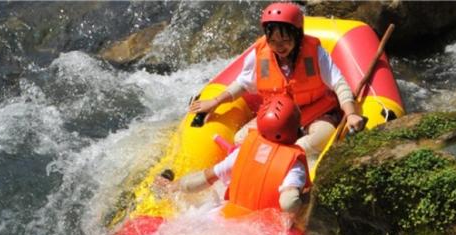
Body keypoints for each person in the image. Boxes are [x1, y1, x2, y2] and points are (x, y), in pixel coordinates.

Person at [188, 2, 366, 158]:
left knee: (324, 135)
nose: (279, 46)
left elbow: (339, 83)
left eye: (285, 40)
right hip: (278, 117)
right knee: (240, 139)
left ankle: (288, 158)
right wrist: (216, 101)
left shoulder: (315, 54)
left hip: (315, 114)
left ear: (297, 35)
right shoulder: (261, 54)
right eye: (272, 40)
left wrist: (350, 114)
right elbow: (243, 84)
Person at [154, 94, 309, 217]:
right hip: (258, 230)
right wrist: (306, 201)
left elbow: (205, 178)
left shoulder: (244, 151)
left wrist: (173, 187)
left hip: (224, 216)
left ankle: (165, 188)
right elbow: (289, 203)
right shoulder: (294, 166)